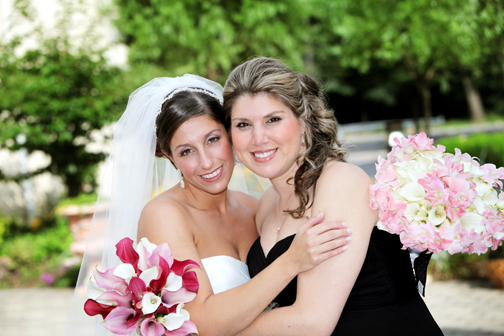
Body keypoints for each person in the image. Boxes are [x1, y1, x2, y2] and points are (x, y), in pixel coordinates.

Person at [66, 74, 352, 336]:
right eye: (187, 151)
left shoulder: (255, 207)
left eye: (213, 139)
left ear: (230, 134)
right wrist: (290, 262)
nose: (206, 162)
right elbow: (199, 321)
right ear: (169, 157)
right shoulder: (165, 216)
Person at [223, 57, 444, 336]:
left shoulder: (340, 181)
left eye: (273, 120)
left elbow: (313, 322)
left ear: (302, 122)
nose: (258, 138)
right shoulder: (267, 204)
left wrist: (216, 331)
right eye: (243, 124)